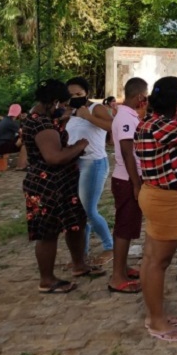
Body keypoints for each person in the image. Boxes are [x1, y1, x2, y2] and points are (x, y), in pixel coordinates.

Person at [135, 76, 177, 341]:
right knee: (158, 262)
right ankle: (155, 320)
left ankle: (156, 313)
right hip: (164, 199)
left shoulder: (151, 123)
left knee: (152, 258)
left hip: (156, 194)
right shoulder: (165, 126)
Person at [22, 79, 102, 294]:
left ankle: (79, 264)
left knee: (76, 223)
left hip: (63, 182)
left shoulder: (45, 118)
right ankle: (47, 280)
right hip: (47, 185)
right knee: (49, 232)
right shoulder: (42, 124)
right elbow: (54, 157)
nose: (66, 108)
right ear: (54, 102)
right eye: (64, 104)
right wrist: (79, 146)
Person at [65, 77, 115, 266]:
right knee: (79, 211)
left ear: (87, 92)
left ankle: (109, 246)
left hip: (93, 163)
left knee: (89, 210)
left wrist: (88, 117)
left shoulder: (96, 108)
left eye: (79, 94)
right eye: (71, 95)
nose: (75, 97)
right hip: (75, 163)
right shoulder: (70, 112)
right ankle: (82, 252)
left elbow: (112, 126)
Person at [108, 77, 149, 294]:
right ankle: (117, 277)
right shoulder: (125, 117)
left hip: (128, 177)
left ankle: (122, 267)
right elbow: (127, 152)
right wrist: (136, 183)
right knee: (124, 227)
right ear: (140, 97)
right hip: (126, 178)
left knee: (128, 224)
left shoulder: (129, 115)